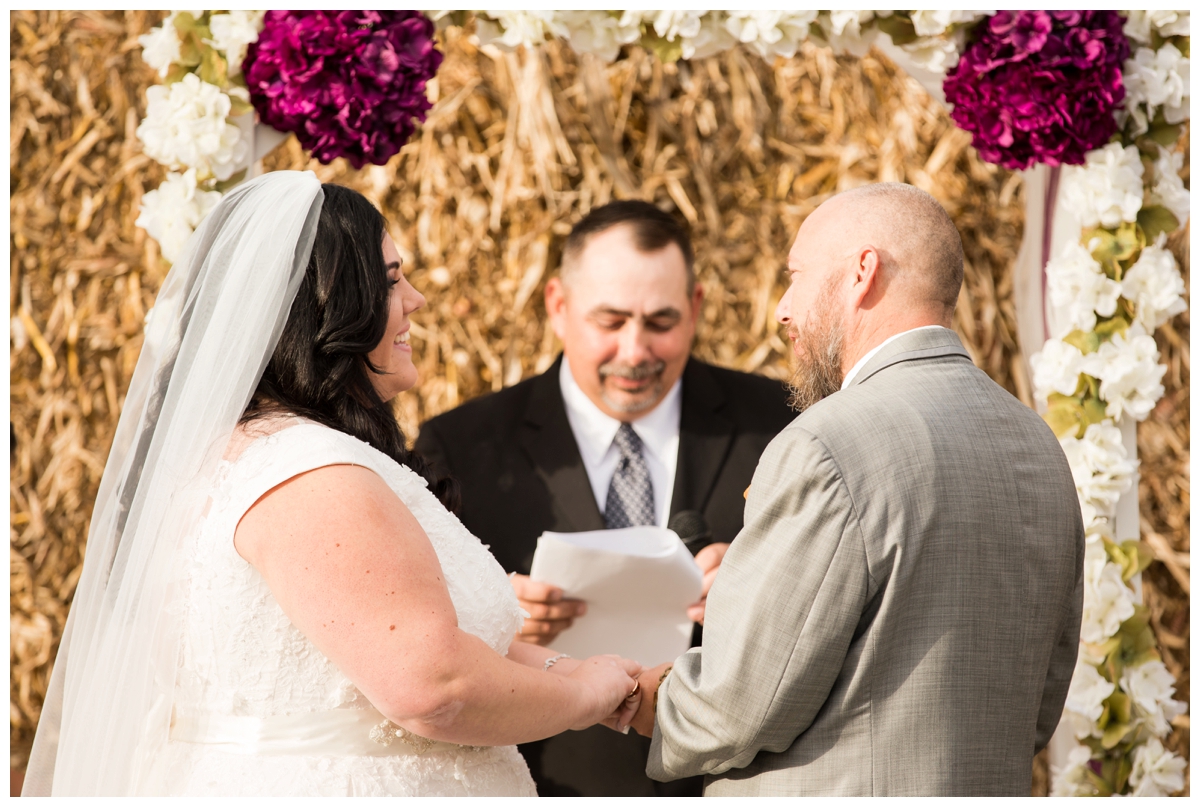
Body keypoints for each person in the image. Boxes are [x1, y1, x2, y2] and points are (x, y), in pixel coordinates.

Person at [23, 172, 645, 796]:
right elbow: (433, 688)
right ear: (330, 307)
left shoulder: (248, 455)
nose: (417, 301)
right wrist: (587, 698)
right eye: (393, 281)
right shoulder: (309, 474)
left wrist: (586, 673)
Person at [628, 183, 1085, 796]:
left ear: (862, 273)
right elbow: (1041, 697)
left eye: (795, 275)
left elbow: (734, 707)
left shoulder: (826, 443)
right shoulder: (1036, 443)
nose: (784, 307)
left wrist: (625, 691)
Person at [415, 201, 795, 796]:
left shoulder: (782, 425)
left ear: (695, 309)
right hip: (551, 781)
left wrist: (760, 581)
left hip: (737, 781)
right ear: (558, 307)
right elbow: (418, 637)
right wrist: (492, 609)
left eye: (661, 322)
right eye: (611, 322)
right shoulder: (461, 446)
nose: (636, 350)